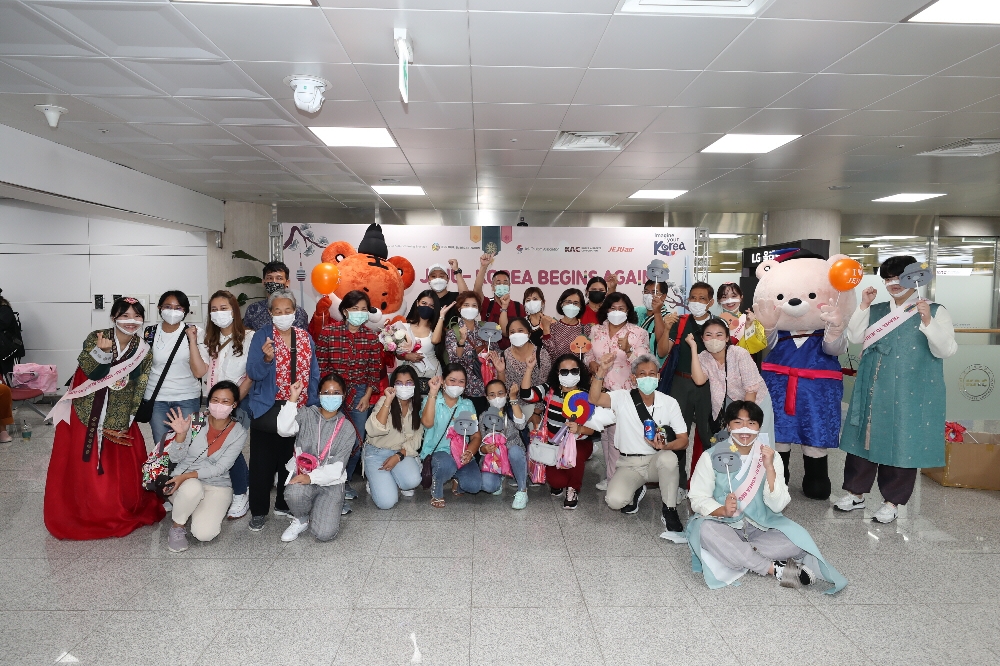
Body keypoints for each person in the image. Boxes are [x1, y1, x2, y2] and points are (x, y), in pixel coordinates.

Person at [836, 255, 958, 524]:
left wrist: (927, 322)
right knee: (862, 436)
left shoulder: (935, 310)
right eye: (887, 279)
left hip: (909, 389)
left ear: (913, 278)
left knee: (902, 440)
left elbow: (947, 350)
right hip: (873, 383)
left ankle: (893, 501)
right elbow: (855, 338)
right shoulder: (877, 309)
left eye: (898, 278)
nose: (893, 284)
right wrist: (863, 305)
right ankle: (855, 493)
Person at [686, 401, 847, 592]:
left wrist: (769, 468)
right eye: (738, 422)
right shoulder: (711, 456)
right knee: (704, 530)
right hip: (722, 524)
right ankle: (773, 568)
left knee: (799, 542)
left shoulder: (771, 456)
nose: (745, 429)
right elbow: (697, 497)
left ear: (759, 427)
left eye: (751, 423)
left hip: (761, 526)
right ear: (728, 426)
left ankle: (737, 555)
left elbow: (778, 506)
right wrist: (721, 510)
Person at [43, 297, 164, 539]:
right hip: (87, 411)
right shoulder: (96, 337)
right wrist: (104, 352)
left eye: (137, 316)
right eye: (125, 315)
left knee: (121, 464)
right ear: (113, 317)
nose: (131, 321)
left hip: (120, 414)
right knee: (86, 465)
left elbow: (140, 385)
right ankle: (86, 511)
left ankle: (119, 507)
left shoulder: (143, 349)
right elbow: (92, 372)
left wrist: (126, 418)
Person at [589, 353, 689, 542]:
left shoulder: (669, 403)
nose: (648, 377)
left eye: (652, 373)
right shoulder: (621, 397)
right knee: (615, 501)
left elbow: (684, 439)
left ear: (659, 377)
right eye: (642, 374)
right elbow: (594, 399)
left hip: (655, 461)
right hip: (629, 463)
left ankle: (669, 510)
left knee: (669, 458)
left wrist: (666, 445)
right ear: (633, 378)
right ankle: (636, 489)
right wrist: (601, 372)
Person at [245, 288, 320, 532]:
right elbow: (253, 373)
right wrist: (266, 360)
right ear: (270, 313)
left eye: (288, 310)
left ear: (295, 312)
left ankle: (282, 503)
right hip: (268, 407)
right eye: (278, 311)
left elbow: (314, 372)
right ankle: (258, 511)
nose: (283, 315)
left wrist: (313, 403)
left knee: (288, 459)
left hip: (297, 406)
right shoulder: (262, 337)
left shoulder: (304, 337)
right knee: (261, 463)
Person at [162, 381, 247, 552]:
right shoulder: (195, 421)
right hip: (182, 482)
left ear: (234, 405)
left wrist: (187, 476)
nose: (219, 405)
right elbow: (175, 457)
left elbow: (221, 468)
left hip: (217, 484)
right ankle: (177, 527)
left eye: (225, 402)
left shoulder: (239, 432)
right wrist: (181, 435)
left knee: (204, 534)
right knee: (192, 489)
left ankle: (187, 507)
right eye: (215, 400)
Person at [315, 289, 383, 499]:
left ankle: (343, 480)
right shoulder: (329, 332)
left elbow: (374, 369)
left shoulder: (371, 337)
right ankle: (328, 481)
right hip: (332, 393)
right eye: (355, 309)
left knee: (357, 438)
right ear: (345, 311)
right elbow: (320, 364)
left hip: (360, 393)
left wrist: (367, 394)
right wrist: (334, 390)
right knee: (330, 439)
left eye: (364, 309)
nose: (359, 313)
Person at [277, 373, 357, 542]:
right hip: (302, 475)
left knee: (324, 534)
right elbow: (283, 429)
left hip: (331, 483)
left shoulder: (348, 428)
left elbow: (337, 469)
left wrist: (311, 477)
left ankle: (322, 507)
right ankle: (301, 518)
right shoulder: (306, 414)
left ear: (343, 396)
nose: (331, 397)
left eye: (336, 393)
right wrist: (293, 398)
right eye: (326, 392)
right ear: (319, 394)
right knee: (294, 494)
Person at [584, 292, 650, 489]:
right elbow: (587, 353)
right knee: (605, 435)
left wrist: (629, 350)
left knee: (618, 437)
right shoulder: (596, 330)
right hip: (600, 389)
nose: (616, 312)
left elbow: (644, 364)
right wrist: (592, 364)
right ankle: (611, 475)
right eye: (612, 308)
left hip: (625, 392)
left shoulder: (638, 333)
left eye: (621, 309)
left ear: (628, 311)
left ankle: (620, 481)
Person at [657, 281, 717, 486]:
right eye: (693, 297)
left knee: (708, 432)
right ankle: (679, 481)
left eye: (702, 298)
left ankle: (707, 482)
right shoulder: (680, 322)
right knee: (678, 432)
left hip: (708, 387)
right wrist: (666, 328)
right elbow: (662, 352)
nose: (697, 302)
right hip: (680, 384)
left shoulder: (718, 325)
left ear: (710, 302)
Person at [520, 353, 599, 509]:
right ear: (557, 373)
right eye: (564, 372)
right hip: (553, 444)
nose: (569, 375)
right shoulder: (550, 389)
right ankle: (563, 482)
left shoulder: (587, 394)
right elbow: (526, 395)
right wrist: (529, 369)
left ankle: (573, 489)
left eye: (574, 371)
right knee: (557, 482)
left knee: (574, 461)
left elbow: (596, 431)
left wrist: (580, 429)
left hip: (579, 443)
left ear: (580, 372)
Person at [201, 290, 254, 520]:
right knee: (215, 445)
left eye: (224, 308)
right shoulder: (207, 339)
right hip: (209, 402)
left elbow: (252, 374)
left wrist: (232, 402)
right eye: (214, 309)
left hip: (239, 402)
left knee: (230, 448)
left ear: (234, 310)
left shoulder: (250, 337)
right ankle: (227, 488)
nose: (219, 313)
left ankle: (242, 493)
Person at [688, 319, 774, 459]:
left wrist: (745, 420)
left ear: (727, 337)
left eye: (719, 335)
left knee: (758, 442)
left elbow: (751, 390)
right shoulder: (703, 357)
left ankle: (763, 477)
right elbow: (699, 380)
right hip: (732, 401)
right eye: (708, 335)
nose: (714, 339)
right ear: (702, 338)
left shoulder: (739, 354)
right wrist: (693, 348)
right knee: (735, 444)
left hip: (755, 401)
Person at [144, 291, 207, 446]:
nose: (172, 311)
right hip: (156, 398)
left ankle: (186, 472)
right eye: (168, 306)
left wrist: (192, 341)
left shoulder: (195, 332)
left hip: (187, 398)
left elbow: (199, 371)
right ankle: (165, 472)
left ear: (185, 310)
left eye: (178, 307)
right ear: (159, 308)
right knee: (162, 446)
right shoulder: (149, 332)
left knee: (188, 445)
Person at [420, 364, 483, 508]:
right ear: (443, 381)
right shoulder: (432, 400)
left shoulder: (467, 405)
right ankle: (437, 493)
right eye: (452, 380)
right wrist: (433, 393)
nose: (457, 385)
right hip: (438, 453)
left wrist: (469, 452)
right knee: (445, 464)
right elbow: (427, 423)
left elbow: (476, 436)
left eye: (461, 382)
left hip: (461, 454)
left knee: (474, 486)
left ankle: (457, 481)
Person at [364, 365, 425, 510]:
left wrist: (399, 456)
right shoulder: (385, 401)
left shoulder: (417, 406)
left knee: (413, 481)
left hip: (400, 452)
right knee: (387, 503)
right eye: (399, 383)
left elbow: (417, 438)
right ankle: (373, 483)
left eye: (409, 383)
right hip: (376, 453)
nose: (404, 386)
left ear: (415, 385)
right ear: (393, 385)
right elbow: (373, 430)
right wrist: (388, 401)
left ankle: (395, 477)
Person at [478, 378, 529, 509]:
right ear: (486, 397)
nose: (497, 398)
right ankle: (499, 477)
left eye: (500, 393)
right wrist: (484, 449)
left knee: (515, 452)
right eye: (492, 395)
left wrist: (513, 399)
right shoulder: (484, 416)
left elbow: (521, 425)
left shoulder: (512, 410)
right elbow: (481, 442)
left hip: (513, 457)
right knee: (487, 485)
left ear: (506, 393)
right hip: (495, 459)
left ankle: (522, 490)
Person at [498, 317, 551, 413]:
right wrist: (500, 372)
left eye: (520, 330)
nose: (516, 334)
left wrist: (537, 413)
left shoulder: (541, 354)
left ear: (529, 333)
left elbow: (544, 386)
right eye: (512, 332)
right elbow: (504, 388)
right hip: (512, 405)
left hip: (535, 407)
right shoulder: (503, 355)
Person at [394, 290, 445, 388]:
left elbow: (435, 341)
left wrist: (441, 316)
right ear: (417, 303)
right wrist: (407, 356)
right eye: (424, 303)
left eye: (431, 306)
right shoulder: (404, 326)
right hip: (409, 373)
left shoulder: (436, 329)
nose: (427, 307)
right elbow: (398, 354)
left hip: (432, 372)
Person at [444, 290, 489, 400]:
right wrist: (461, 342)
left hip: (487, 388)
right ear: (459, 309)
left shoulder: (486, 330)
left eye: (474, 305)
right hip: (464, 389)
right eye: (466, 305)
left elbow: (495, 352)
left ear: (478, 310)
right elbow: (454, 360)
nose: (470, 308)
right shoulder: (453, 332)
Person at [472, 253, 523, 347]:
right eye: (498, 283)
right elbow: (476, 290)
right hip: (489, 351)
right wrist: (484, 266)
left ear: (509, 286)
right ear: (492, 287)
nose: (502, 285)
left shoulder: (518, 307)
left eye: (505, 283)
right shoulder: (488, 304)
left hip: (513, 352)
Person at [243, 261, 310, 332]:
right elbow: (247, 337)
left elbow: (303, 339)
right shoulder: (253, 309)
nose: (274, 281)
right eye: (270, 278)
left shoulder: (299, 312)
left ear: (287, 283)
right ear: (263, 282)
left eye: (279, 278)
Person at [716, 282, 767, 354]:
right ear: (719, 300)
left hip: (744, 362)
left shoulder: (750, 320)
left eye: (733, 296)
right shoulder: (714, 323)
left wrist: (749, 326)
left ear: (741, 297)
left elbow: (758, 346)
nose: (729, 300)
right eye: (724, 297)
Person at [544, 288, 592, 360]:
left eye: (576, 303)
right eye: (568, 302)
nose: (572, 305)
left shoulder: (586, 329)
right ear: (561, 303)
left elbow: (588, 357)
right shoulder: (552, 327)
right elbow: (550, 355)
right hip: (556, 370)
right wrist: (546, 331)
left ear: (581, 307)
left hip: (578, 370)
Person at [638, 279, 671, 366]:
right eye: (646, 292)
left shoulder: (669, 318)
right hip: (636, 366)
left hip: (655, 369)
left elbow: (661, 347)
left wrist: (657, 312)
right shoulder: (637, 311)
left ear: (663, 296)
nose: (649, 296)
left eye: (654, 292)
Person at [0, 288, 22, 376]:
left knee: (7, 376)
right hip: (3, 349)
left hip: (7, 350)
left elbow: (2, 324)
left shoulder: (4, 310)